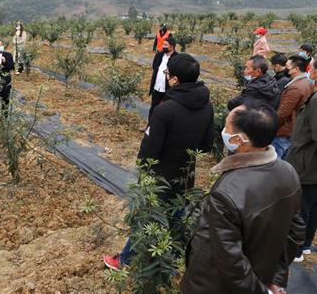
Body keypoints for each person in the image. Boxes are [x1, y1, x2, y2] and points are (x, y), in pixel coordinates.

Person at [104, 53, 214, 269]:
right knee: (177, 215)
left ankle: (125, 260)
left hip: (160, 177)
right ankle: (170, 258)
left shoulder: (165, 110)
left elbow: (149, 152)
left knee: (145, 218)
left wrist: (144, 172)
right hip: (185, 176)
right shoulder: (207, 106)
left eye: (167, 74)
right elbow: (207, 145)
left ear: (175, 79)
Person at [181, 102, 304, 294]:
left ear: (239, 140)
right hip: (260, 273)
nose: (224, 131)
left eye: (227, 128)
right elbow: (295, 232)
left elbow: (232, 263)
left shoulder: (227, 193)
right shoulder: (288, 172)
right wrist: (276, 278)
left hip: (212, 284)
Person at [287, 59, 317, 262]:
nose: (309, 71)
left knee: (302, 209)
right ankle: (305, 245)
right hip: (310, 164)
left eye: (312, 68)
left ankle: (297, 250)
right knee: (312, 207)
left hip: (307, 165)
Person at [273, 55, 313, 158]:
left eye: (287, 66)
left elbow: (283, 113)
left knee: (276, 161)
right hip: (294, 129)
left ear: (295, 69)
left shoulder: (295, 87)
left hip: (285, 131)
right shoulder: (307, 82)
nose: (285, 69)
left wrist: (271, 127)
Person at [148, 37, 178, 119]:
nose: (163, 46)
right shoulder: (159, 55)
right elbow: (154, 67)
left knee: (164, 111)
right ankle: (149, 126)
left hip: (167, 89)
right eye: (163, 44)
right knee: (153, 108)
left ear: (172, 46)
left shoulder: (176, 58)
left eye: (165, 45)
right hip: (157, 87)